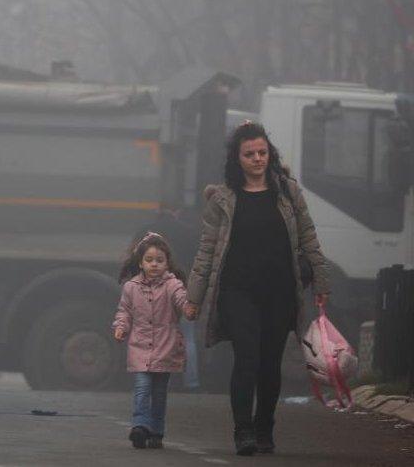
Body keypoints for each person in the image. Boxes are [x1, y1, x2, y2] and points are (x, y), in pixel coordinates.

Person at [184, 121, 330, 456]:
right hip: (238, 292)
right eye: (249, 154)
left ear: (270, 154)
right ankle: (243, 431)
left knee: (269, 363)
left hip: (279, 293)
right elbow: (207, 251)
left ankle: (265, 428)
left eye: (262, 152)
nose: (257, 159)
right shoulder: (222, 199)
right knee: (247, 359)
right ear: (237, 159)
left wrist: (322, 282)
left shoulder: (288, 192)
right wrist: (194, 298)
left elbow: (308, 237)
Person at [112, 232, 191, 450]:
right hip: (140, 347)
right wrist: (120, 327)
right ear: (140, 263)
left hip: (165, 347)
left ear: (167, 263)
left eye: (159, 260)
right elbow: (124, 312)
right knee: (142, 387)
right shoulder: (131, 288)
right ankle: (139, 426)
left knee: (159, 394)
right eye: (149, 260)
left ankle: (156, 431)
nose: (154, 264)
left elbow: (182, 300)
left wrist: (189, 308)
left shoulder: (173, 285)